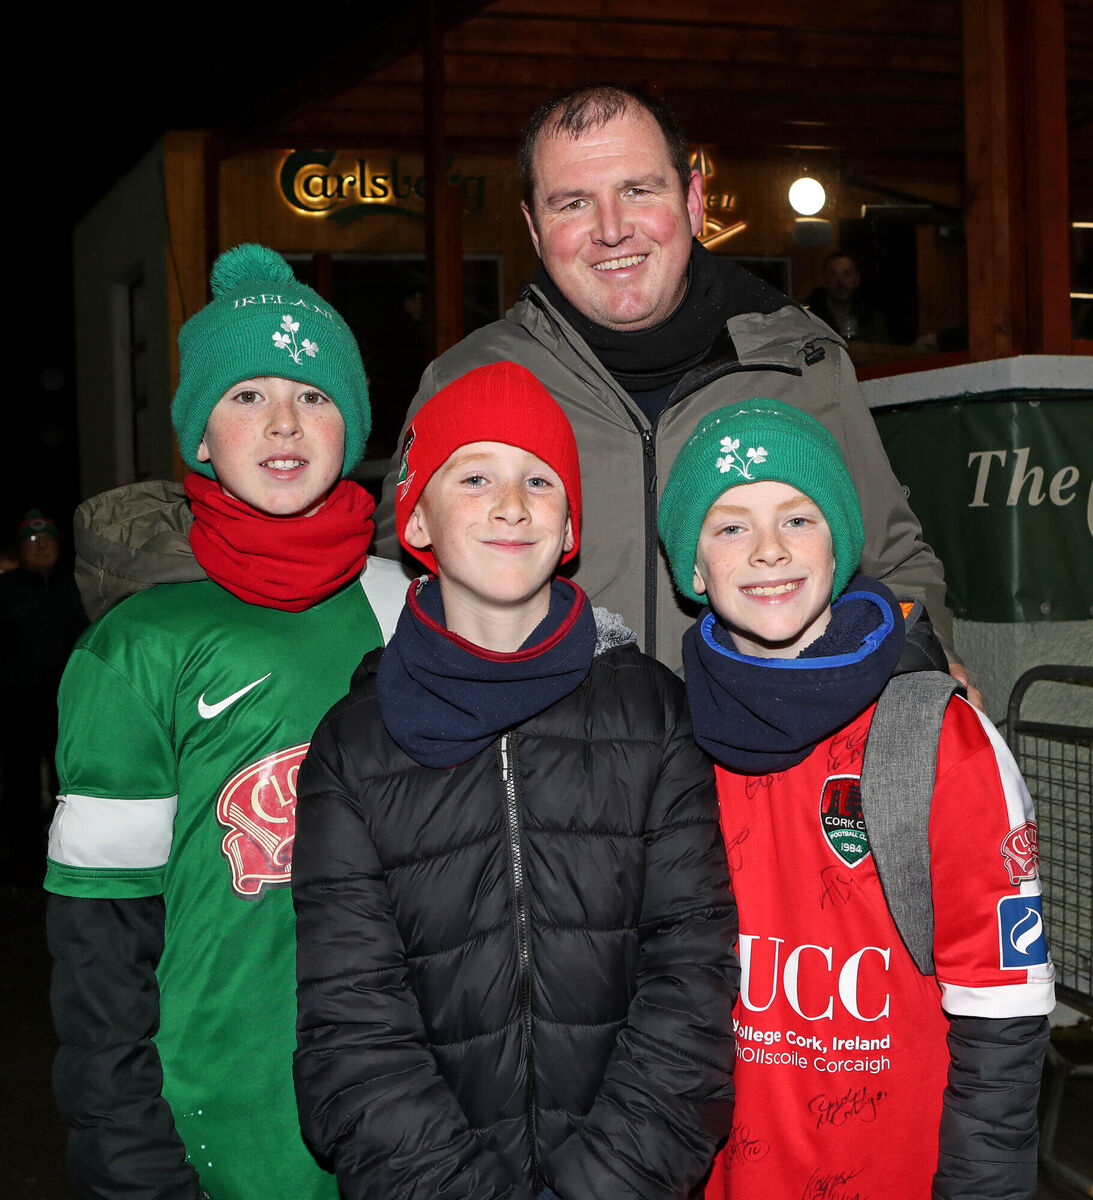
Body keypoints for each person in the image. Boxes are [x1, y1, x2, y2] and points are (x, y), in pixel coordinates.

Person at [292, 360, 738, 1200]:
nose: (510, 504)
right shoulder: (354, 746)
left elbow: (693, 980)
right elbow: (352, 1024)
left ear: (568, 523)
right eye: (474, 476)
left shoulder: (652, 715)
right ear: (416, 516)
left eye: (539, 479)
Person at [373, 84, 965, 694]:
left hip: (765, 769)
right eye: (572, 203)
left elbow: (894, 566)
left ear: (692, 199)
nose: (611, 229)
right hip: (544, 775)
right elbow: (396, 581)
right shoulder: (464, 382)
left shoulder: (801, 362)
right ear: (533, 226)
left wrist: (924, 681)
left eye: (638, 190)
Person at [44, 244, 406, 1199]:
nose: (284, 421)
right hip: (215, 1130)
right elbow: (98, 944)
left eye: (315, 396)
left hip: (403, 1119)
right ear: (199, 433)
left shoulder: (407, 608)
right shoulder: (137, 645)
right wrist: (131, 1157)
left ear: (353, 424)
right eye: (246, 394)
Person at [656, 399, 1055, 1199]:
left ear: (839, 540)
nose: (768, 551)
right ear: (692, 569)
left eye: (798, 518)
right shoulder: (663, 737)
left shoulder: (939, 737)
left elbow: (1002, 1016)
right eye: (729, 526)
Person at [0, 509, 87, 883]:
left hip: (65, 706)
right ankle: (22, 858)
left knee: (66, 781)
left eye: (49, 541)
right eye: (33, 542)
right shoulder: (5, 590)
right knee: (19, 781)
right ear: (21, 549)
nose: (42, 548)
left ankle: (64, 852)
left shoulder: (75, 587)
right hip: (17, 705)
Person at [805, 250, 890, 344]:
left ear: (857, 279)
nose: (841, 282)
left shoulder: (872, 317)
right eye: (834, 274)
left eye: (847, 274)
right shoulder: (811, 317)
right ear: (825, 280)